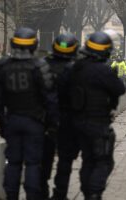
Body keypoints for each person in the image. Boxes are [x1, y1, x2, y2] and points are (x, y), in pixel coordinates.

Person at [0, 27, 59, 200]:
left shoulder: (3, 66)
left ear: (13, 43)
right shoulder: (40, 66)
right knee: (33, 163)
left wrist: (2, 123)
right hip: (35, 122)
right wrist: (51, 125)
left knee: (13, 163)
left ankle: (11, 195)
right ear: (34, 45)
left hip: (12, 120)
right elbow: (50, 100)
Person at [59, 32, 126, 200]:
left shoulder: (74, 68)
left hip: (76, 124)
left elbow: (62, 91)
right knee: (102, 161)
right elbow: (119, 89)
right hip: (98, 124)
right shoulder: (103, 71)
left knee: (88, 160)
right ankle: (93, 193)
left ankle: (87, 191)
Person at [41, 33, 79, 200]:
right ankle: (59, 194)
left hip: (44, 120)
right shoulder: (76, 70)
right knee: (65, 160)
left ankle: (41, 191)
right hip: (68, 121)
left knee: (43, 159)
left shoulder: (42, 67)